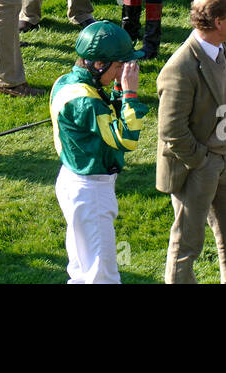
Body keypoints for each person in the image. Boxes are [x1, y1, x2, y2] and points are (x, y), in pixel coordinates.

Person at [156, 0, 226, 284]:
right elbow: (171, 131)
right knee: (187, 245)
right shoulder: (179, 69)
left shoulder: (225, 49)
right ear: (217, 22)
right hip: (197, 168)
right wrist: (203, 162)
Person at [51, 20, 147, 284]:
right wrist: (129, 94)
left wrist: (116, 88)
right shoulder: (86, 102)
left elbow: (103, 113)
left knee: (82, 272)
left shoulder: (66, 82)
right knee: (102, 276)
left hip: (74, 182)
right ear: (97, 64)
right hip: (91, 190)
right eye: (118, 66)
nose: (121, 73)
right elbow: (126, 138)